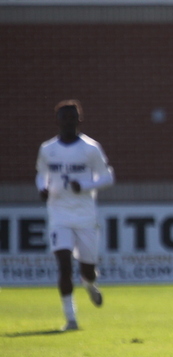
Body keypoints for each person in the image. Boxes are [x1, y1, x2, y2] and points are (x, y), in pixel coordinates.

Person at [36, 100, 115, 331]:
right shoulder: (47, 149)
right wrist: (42, 188)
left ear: (80, 119)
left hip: (85, 216)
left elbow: (107, 178)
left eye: (73, 117)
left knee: (87, 270)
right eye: (64, 117)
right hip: (59, 214)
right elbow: (41, 174)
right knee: (64, 265)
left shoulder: (90, 148)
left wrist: (86, 186)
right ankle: (71, 319)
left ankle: (90, 284)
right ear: (57, 120)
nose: (68, 122)